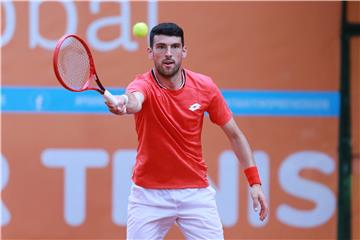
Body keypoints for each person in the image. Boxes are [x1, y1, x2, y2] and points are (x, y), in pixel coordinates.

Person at [106, 22, 269, 240]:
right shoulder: (142, 84)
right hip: (148, 195)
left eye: (174, 47)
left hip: (195, 193)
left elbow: (235, 135)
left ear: (184, 51)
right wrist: (123, 103)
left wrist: (255, 182)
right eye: (161, 47)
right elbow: (135, 100)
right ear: (150, 52)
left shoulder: (205, 87)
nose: (168, 54)